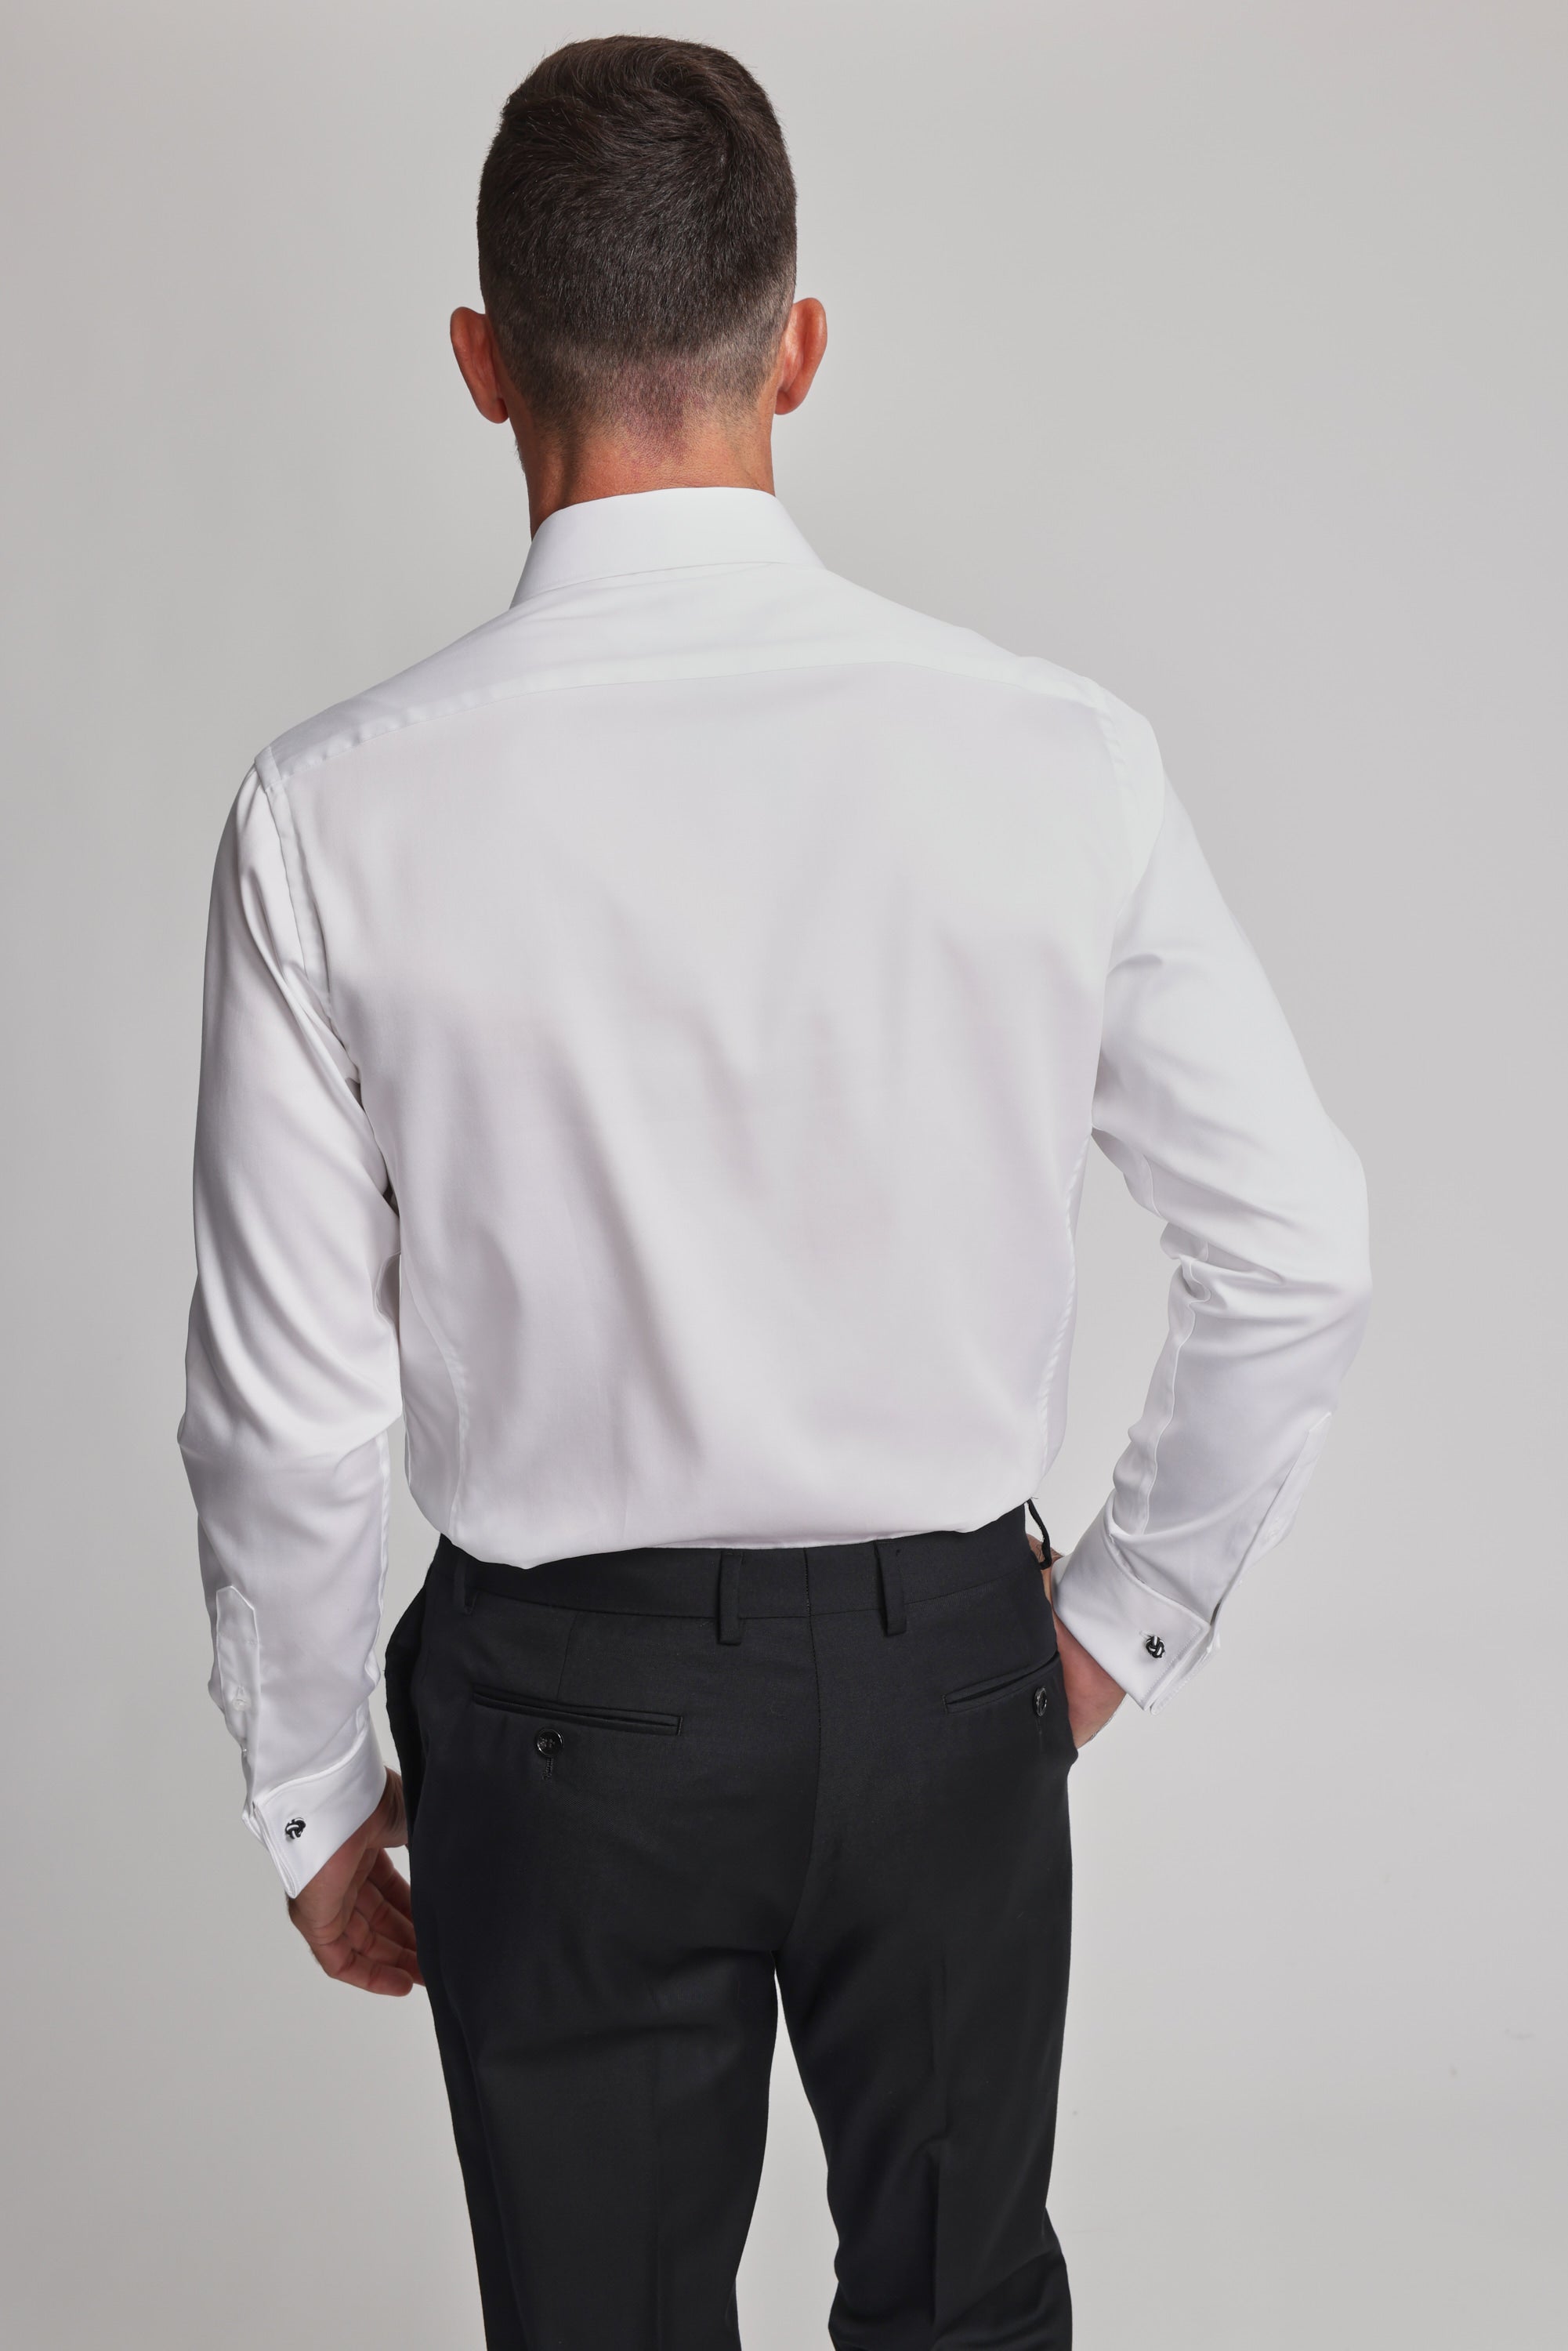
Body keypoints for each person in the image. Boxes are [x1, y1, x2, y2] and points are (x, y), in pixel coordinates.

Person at [179, 34, 1371, 2351]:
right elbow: (1295, 1250)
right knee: (963, 2313)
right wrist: (1103, 1630)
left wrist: (312, 1791)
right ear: (795, 347)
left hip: (564, 1718)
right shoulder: (1054, 755)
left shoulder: (329, 815)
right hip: (946, 1676)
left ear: (481, 364)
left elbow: (289, 1405)